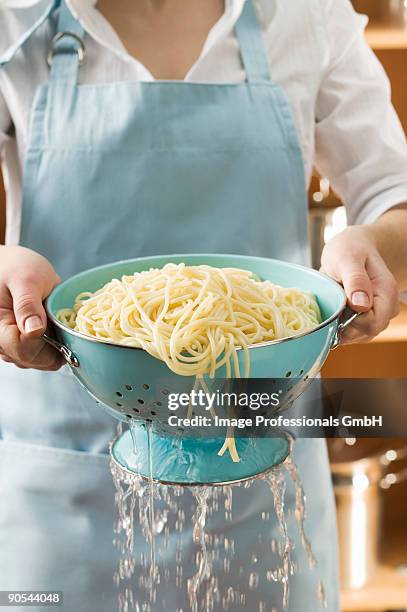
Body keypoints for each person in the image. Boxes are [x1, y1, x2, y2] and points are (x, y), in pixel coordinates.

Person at [0, 0, 406, 610]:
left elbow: (392, 190)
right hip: (64, 480)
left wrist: (373, 243)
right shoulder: (14, 21)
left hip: (259, 466)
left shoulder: (305, 15)